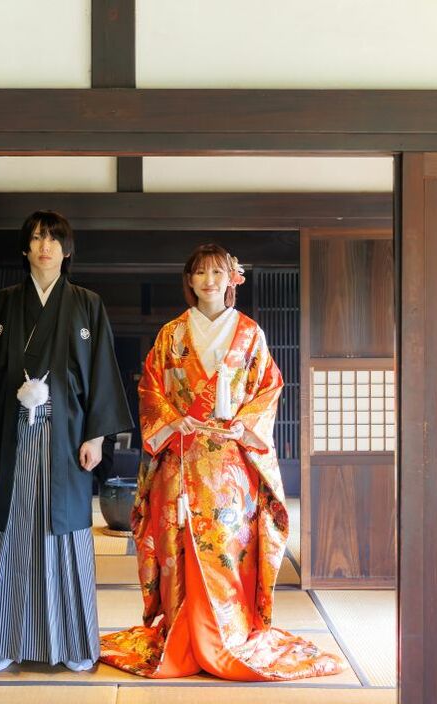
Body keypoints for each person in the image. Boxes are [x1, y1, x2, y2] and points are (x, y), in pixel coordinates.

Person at [99, 244, 344, 680]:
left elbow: (268, 389)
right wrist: (175, 420)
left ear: (232, 279)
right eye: (200, 273)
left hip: (230, 468)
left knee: (228, 551)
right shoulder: (171, 335)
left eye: (217, 273)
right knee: (178, 551)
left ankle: (228, 637)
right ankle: (181, 635)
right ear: (189, 280)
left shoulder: (250, 334)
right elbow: (150, 390)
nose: (209, 281)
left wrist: (243, 425)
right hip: (180, 460)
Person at [0, 210, 132, 673]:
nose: (44, 247)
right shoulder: (1, 305)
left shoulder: (87, 304)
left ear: (67, 250)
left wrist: (96, 435)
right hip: (11, 435)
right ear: (25, 248)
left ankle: (73, 642)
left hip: (66, 438)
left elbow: (102, 372)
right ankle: (6, 640)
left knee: (66, 535)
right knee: (11, 533)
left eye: (53, 239)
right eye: (36, 238)